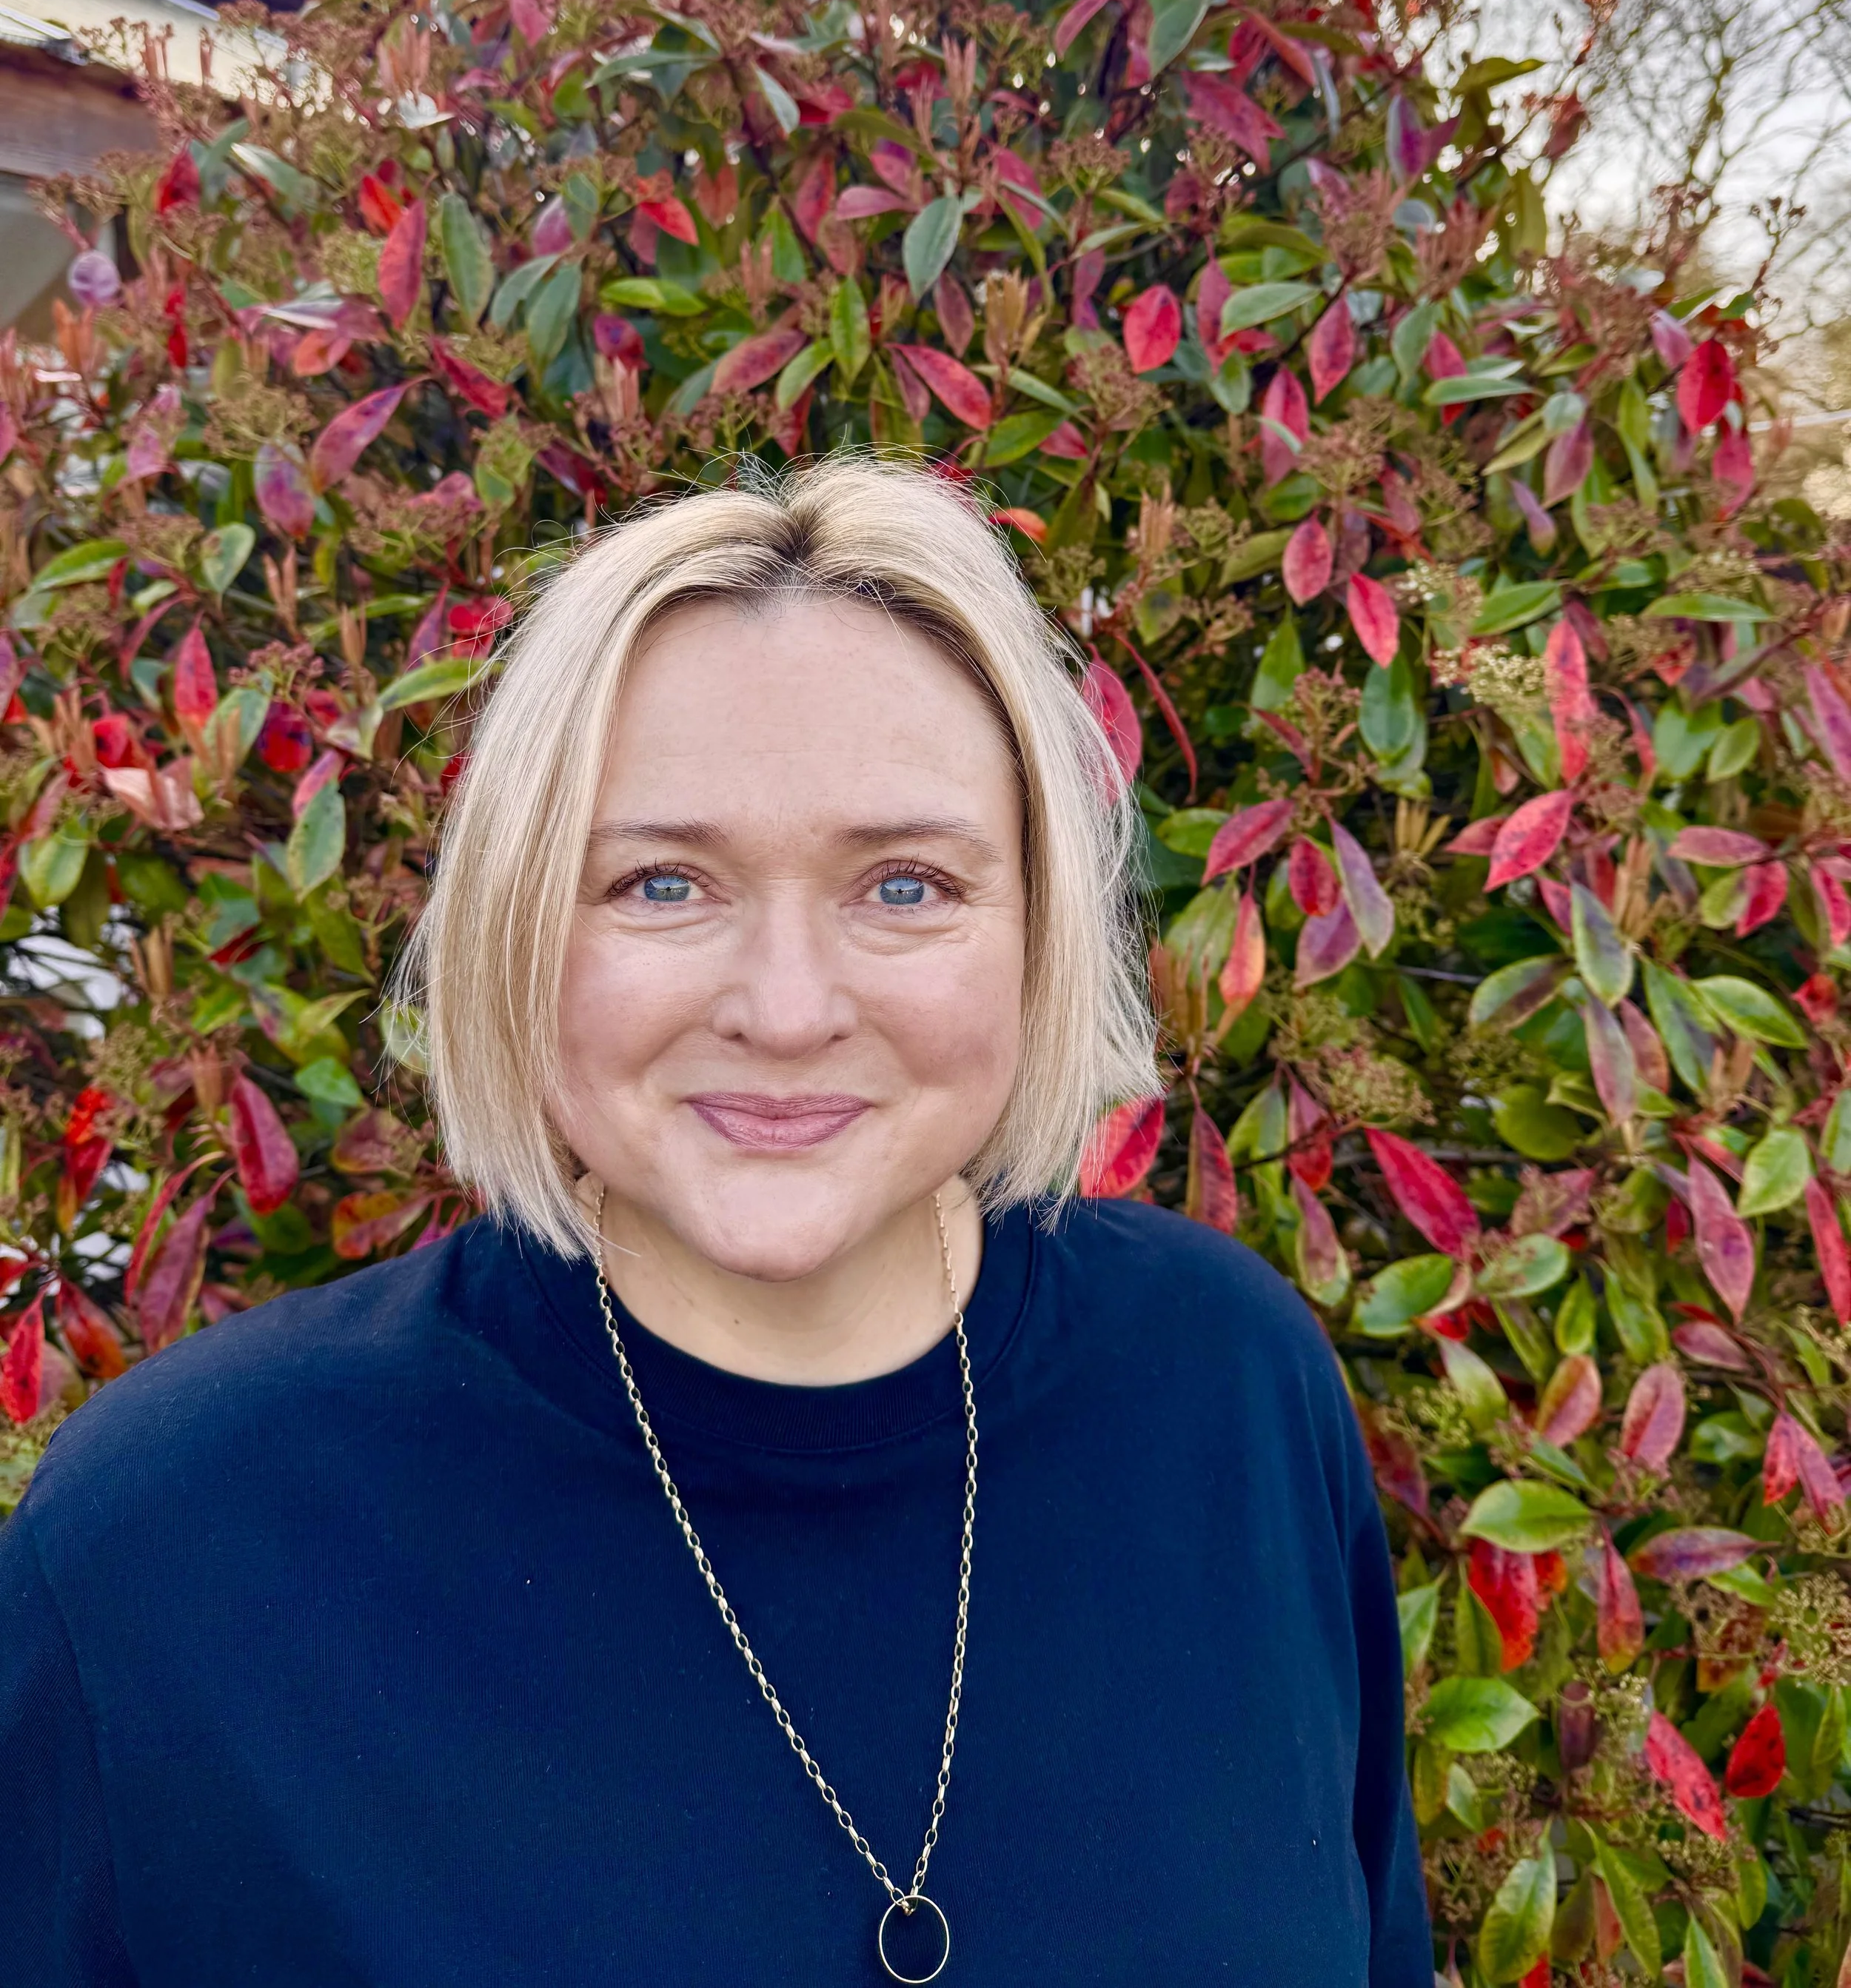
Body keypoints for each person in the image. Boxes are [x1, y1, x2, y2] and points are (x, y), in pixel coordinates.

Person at [0, 456, 1430, 1986]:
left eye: (904, 885)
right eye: (663, 882)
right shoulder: (169, 1547)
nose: (788, 1008)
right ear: (520, 925)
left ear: (1036, 930)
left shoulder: (1226, 1387)